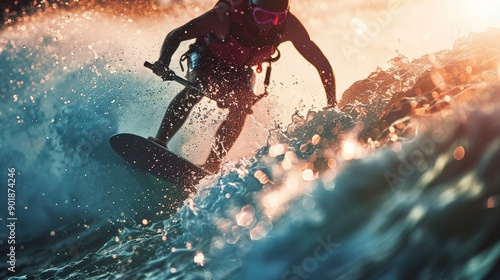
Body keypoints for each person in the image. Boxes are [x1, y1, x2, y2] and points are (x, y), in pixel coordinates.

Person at [149, 0, 337, 173]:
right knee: (197, 87)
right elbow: (176, 35)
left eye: (277, 18)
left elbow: (323, 66)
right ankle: (160, 141)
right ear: (249, 9)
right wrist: (163, 62)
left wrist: (331, 104)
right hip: (206, 59)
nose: (269, 25)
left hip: (240, 70)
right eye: (262, 16)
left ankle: (212, 164)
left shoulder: (289, 27)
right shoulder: (224, 16)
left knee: (242, 105)